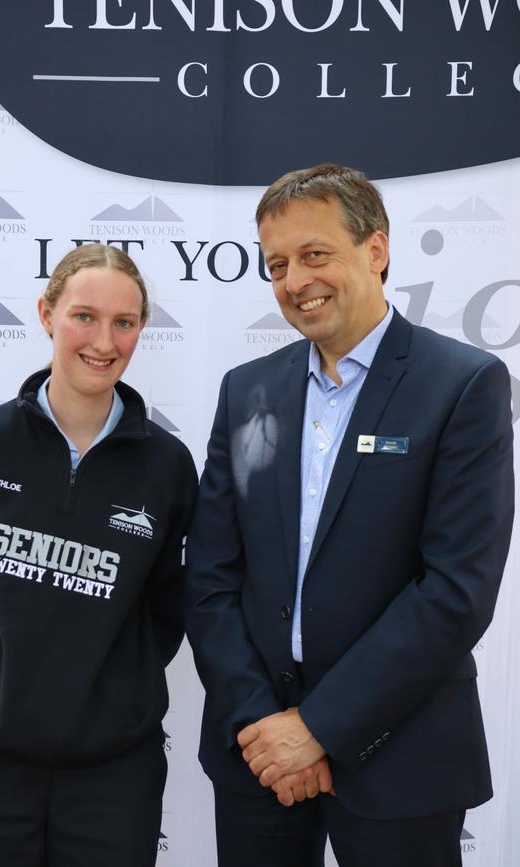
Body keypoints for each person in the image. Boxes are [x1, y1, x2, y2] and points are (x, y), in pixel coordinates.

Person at [184, 164, 514, 867]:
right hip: (259, 757)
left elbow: (456, 589)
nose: (295, 279)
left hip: (403, 754)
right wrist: (263, 727)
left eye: (314, 254)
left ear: (377, 250)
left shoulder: (463, 384)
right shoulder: (248, 391)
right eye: (277, 264)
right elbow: (210, 576)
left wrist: (320, 728)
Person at [0, 243, 197, 867]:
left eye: (124, 322)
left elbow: (167, 612)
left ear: (142, 329)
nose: (103, 341)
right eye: (83, 316)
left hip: (111, 775)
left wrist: (113, 688)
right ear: (46, 314)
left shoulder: (168, 469)